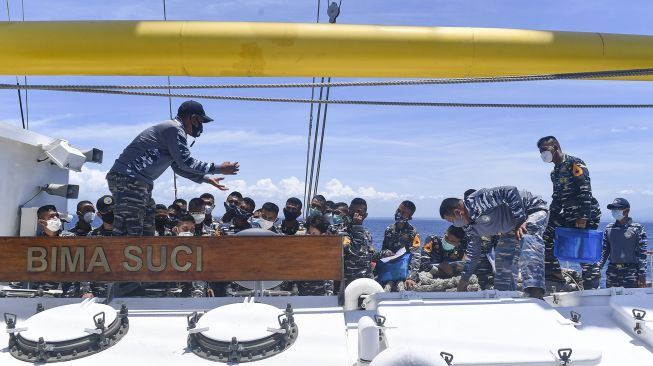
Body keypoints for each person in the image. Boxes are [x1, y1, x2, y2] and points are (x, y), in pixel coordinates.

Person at [106, 100, 239, 237]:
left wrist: (204, 178)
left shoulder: (176, 132)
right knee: (131, 230)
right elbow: (185, 162)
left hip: (139, 182)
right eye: (200, 121)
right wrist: (218, 168)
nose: (201, 126)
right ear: (193, 118)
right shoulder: (174, 128)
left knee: (147, 226)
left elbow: (178, 167)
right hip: (128, 179)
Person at [440, 186, 548, 298]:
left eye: (451, 220)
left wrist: (520, 220)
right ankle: (504, 295)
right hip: (511, 226)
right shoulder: (468, 227)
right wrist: (464, 279)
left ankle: (535, 293)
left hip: (531, 210)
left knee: (527, 238)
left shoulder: (477, 200)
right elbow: (473, 253)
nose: (453, 224)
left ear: (458, 212)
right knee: (502, 256)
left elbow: (510, 191)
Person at [538, 136, 602, 290]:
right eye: (540, 152)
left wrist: (583, 217)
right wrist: (550, 221)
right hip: (567, 214)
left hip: (585, 213)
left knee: (584, 250)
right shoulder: (555, 173)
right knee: (545, 239)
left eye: (544, 150)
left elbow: (585, 190)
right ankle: (556, 281)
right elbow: (557, 200)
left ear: (555, 146)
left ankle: (591, 287)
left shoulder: (575, 163)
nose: (542, 154)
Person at [599, 198, 648, 288]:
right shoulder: (609, 228)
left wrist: (642, 275)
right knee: (611, 299)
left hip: (631, 272)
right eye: (613, 209)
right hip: (612, 272)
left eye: (617, 209)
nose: (614, 211)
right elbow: (605, 251)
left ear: (627, 211)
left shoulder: (637, 228)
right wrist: (598, 267)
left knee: (631, 300)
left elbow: (642, 253)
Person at [284, 214, 335, 295]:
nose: (310, 237)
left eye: (314, 234)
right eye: (309, 233)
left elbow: (329, 282)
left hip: (322, 296)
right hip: (302, 295)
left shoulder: (328, 253)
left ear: (323, 235)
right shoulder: (301, 251)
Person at [379, 201, 421, 291]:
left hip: (405, 270)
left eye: (403, 213)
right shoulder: (389, 230)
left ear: (409, 217)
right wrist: (387, 253)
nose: (399, 214)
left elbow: (416, 256)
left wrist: (411, 277)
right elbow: (383, 250)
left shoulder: (413, 232)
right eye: (398, 210)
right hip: (389, 269)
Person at [342, 198, 374, 289]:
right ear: (348, 212)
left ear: (365, 215)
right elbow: (353, 251)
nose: (355, 215)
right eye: (352, 211)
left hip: (366, 281)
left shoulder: (366, 233)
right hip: (348, 282)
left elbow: (368, 254)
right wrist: (357, 227)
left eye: (359, 212)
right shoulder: (340, 231)